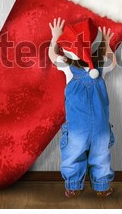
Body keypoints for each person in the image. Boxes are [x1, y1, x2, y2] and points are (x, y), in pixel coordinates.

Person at [48, 17, 116, 197]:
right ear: (97, 49)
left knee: (73, 155)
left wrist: (55, 37)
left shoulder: (69, 69)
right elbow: (113, 61)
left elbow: (52, 56)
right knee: (100, 157)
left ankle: (73, 186)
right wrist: (107, 45)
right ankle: (101, 187)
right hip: (98, 126)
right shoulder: (101, 68)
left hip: (78, 126)